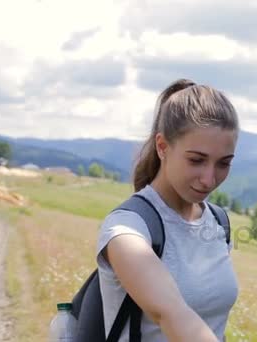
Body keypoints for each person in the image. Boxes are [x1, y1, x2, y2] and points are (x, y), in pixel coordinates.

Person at [96, 79, 240, 341]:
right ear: (162, 147)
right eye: (196, 160)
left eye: (224, 163)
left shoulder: (219, 223)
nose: (209, 179)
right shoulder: (127, 229)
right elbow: (172, 314)